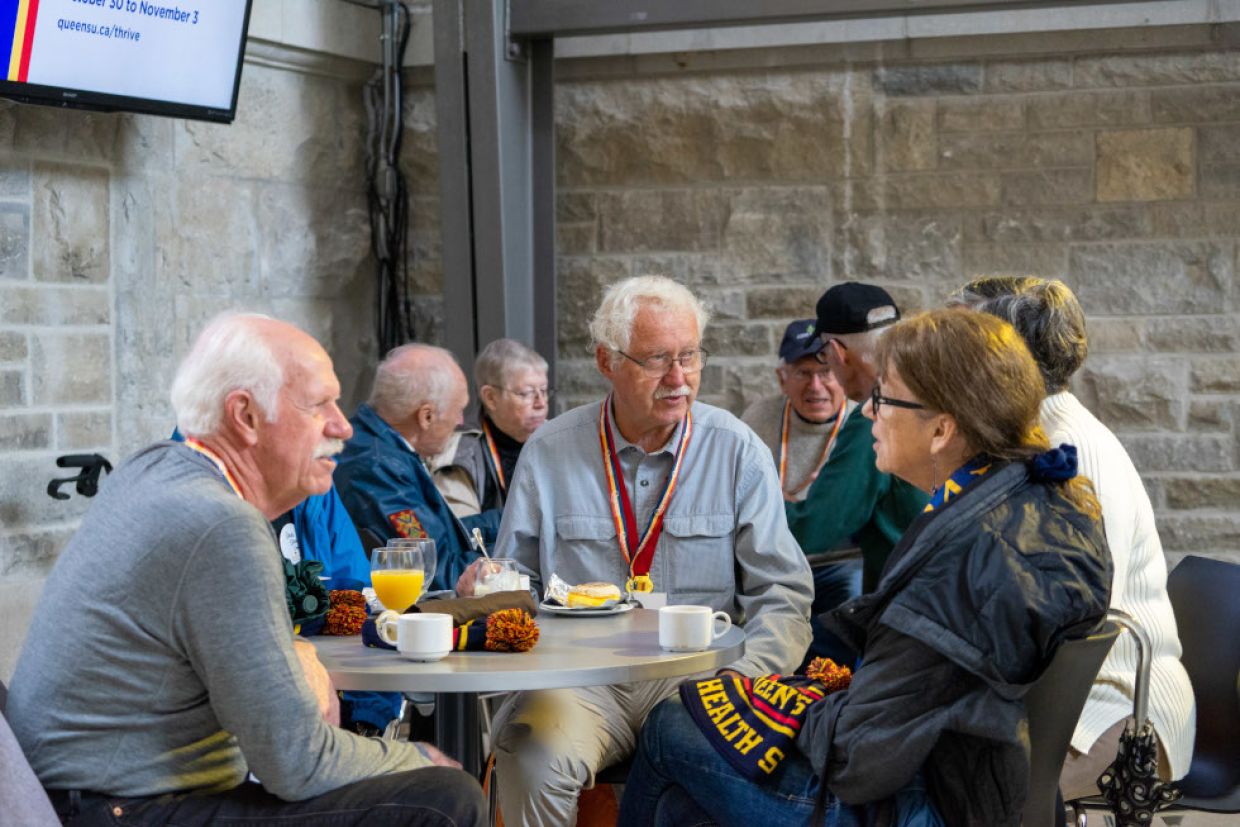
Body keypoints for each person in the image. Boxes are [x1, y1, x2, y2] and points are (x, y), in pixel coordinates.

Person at [618, 307, 1113, 827]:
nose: (866, 412)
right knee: (681, 807)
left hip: (922, 804)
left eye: (883, 398)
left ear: (942, 429)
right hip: (983, 781)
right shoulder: (1044, 499)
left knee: (668, 726)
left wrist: (799, 708)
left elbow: (859, 761)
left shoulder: (966, 558)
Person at [7, 313, 485, 826]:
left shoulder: (155, 468)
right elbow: (297, 763)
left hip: (77, 793)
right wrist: (415, 756)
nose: (342, 426)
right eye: (317, 405)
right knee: (443, 798)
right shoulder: (220, 523)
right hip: (121, 809)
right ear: (246, 416)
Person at [457, 275, 814, 826]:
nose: (679, 378)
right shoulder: (549, 452)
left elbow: (783, 593)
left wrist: (743, 681)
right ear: (607, 360)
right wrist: (488, 587)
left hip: (701, 680)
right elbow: (516, 584)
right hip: (578, 682)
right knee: (530, 753)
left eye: (690, 356)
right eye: (656, 360)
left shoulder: (737, 450)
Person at [958, 276, 1196, 799]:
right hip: (1068, 693)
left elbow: (1073, 611)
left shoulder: (1069, 447)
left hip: (1118, 708)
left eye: (965, 342)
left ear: (1009, 358)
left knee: (962, 791)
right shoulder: (1025, 437)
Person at [786, 283, 928, 595]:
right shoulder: (933, 391)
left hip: (908, 606)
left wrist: (750, 507)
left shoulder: (876, 416)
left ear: (837, 352)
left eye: (824, 355)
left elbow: (815, 528)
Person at [742, 319, 860, 667]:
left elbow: (841, 516)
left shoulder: (860, 421)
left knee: (849, 595)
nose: (816, 386)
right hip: (769, 554)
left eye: (826, 373)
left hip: (837, 560)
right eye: (803, 373)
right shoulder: (758, 419)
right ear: (782, 378)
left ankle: (837, 689)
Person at [334, 344, 498, 592]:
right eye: (459, 409)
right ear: (426, 416)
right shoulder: (376, 468)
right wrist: (524, 552)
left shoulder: (383, 447)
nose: (461, 421)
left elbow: (446, 534)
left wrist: (512, 521)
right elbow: (435, 572)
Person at [430, 338, 550, 517]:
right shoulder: (460, 451)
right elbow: (464, 530)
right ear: (491, 398)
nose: (541, 403)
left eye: (544, 390)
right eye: (526, 393)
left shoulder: (556, 438)